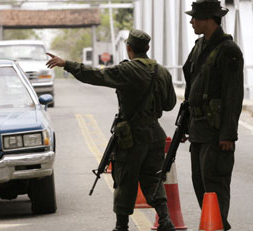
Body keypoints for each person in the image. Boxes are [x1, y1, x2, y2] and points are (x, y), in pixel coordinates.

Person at [46, 29, 177, 231]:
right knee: (153, 178)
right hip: (155, 134)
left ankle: (121, 226)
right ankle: (166, 220)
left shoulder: (128, 70)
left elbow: (96, 75)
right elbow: (169, 104)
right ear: (147, 48)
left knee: (125, 178)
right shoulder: (162, 72)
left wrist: (67, 64)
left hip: (131, 136)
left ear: (129, 48)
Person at [183, 0, 244, 230]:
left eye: (195, 18)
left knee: (215, 184)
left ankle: (219, 226)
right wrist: (185, 125)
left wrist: (228, 134)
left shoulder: (229, 51)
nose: (191, 21)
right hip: (198, 129)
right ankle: (216, 225)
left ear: (209, 19)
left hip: (216, 131)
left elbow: (233, 95)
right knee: (200, 184)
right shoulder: (199, 46)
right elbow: (190, 83)